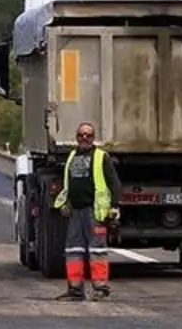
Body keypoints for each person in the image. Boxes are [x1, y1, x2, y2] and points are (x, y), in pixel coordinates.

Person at [53, 121, 123, 301]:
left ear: (94, 138)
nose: (85, 138)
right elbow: (68, 183)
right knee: (73, 250)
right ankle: (75, 290)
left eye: (89, 135)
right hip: (75, 212)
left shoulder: (101, 157)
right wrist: (65, 203)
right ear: (76, 137)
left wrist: (114, 206)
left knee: (97, 250)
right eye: (81, 135)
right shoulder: (72, 156)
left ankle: (100, 288)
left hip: (94, 212)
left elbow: (114, 183)